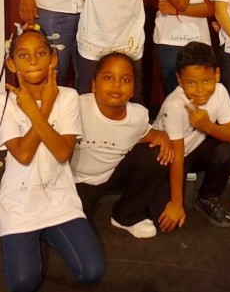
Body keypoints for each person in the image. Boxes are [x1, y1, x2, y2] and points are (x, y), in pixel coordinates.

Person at [0, 25, 105, 291]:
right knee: (24, 283)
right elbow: (23, 154)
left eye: (41, 53)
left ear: (53, 58)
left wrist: (44, 106)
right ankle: (30, 234)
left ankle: (50, 232)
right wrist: (36, 110)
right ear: (11, 63)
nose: (32, 60)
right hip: (20, 202)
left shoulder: (67, 97)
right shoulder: (4, 102)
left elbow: (62, 152)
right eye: (23, 55)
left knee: (92, 271)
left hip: (58, 199)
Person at [70, 53, 173, 239]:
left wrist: (162, 135)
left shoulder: (138, 115)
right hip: (76, 181)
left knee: (157, 152)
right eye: (108, 78)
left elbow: (147, 134)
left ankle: (125, 215)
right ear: (93, 84)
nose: (116, 85)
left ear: (134, 89)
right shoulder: (75, 107)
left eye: (125, 80)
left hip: (111, 175)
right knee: (74, 234)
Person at [152, 42, 230, 230]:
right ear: (179, 80)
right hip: (168, 158)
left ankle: (206, 197)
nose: (200, 90)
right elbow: (176, 156)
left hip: (193, 150)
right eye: (191, 83)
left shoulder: (221, 92)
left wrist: (207, 126)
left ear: (216, 74)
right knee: (162, 216)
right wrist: (176, 202)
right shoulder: (174, 105)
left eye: (206, 81)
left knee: (227, 151)